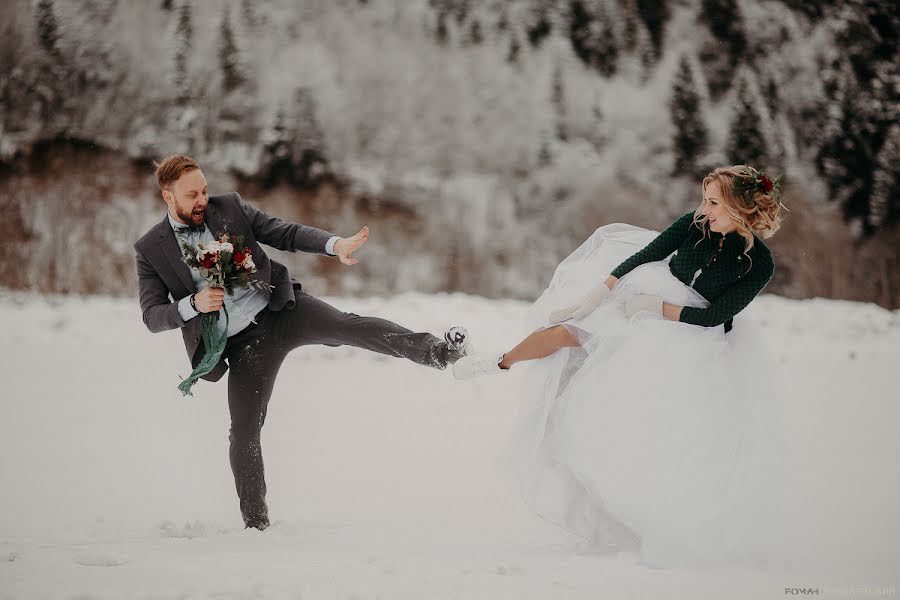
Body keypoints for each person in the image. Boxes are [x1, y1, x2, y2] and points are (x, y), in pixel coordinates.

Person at [453, 165, 803, 569]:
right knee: (568, 331)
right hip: (642, 299)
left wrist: (657, 310)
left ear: (741, 207)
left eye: (713, 203)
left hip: (689, 335)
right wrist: (596, 295)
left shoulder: (758, 265)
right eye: (704, 200)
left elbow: (714, 317)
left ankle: (642, 518)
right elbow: (646, 255)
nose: (704, 210)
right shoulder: (694, 224)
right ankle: (496, 362)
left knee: (645, 429)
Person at [135, 154, 469, 530]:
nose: (202, 200)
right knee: (244, 432)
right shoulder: (151, 249)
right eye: (192, 194)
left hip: (281, 311)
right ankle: (256, 526)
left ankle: (440, 352)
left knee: (348, 326)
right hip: (242, 347)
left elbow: (285, 232)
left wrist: (334, 244)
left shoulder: (228, 208)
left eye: (205, 190)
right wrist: (191, 305)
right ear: (168, 197)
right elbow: (151, 316)